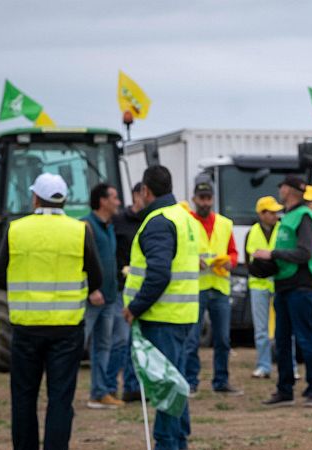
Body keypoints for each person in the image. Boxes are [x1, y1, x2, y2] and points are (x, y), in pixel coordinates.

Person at [0, 173, 103, 450]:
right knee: (60, 399)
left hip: (26, 329)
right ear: (64, 200)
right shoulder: (80, 230)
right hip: (67, 330)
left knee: (23, 398)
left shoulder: (16, 230)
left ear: (36, 198)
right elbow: (96, 278)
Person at [122, 166, 199, 450]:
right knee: (176, 383)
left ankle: (167, 443)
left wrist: (135, 307)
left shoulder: (158, 221)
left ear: (145, 190)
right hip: (182, 314)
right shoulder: (184, 217)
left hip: (163, 316)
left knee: (165, 387)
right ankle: (178, 440)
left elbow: (159, 274)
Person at [253, 175, 312, 408]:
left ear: (289, 190)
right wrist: (265, 265)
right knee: (282, 341)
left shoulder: (304, 217)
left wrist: (272, 254)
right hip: (284, 285)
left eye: (282, 187)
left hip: (300, 286)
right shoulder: (288, 217)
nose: (280, 190)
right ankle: (285, 390)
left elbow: (304, 253)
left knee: (305, 338)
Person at [184, 180, 242, 395]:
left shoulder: (224, 224)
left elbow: (233, 252)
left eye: (208, 198)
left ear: (213, 199)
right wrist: (193, 261)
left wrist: (230, 262)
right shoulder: (187, 222)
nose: (205, 203)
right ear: (194, 199)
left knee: (223, 339)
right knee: (192, 339)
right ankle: (190, 381)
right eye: (202, 198)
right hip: (196, 287)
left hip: (219, 287)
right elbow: (181, 251)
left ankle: (221, 381)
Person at [83, 183, 124, 409]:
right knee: (78, 344)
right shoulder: (86, 226)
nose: (118, 202)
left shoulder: (108, 226)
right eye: (114, 198)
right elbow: (82, 260)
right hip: (92, 299)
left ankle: (99, 393)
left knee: (103, 346)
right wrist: (91, 289)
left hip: (108, 297)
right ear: (102, 201)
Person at [109, 182, 145, 402]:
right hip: (122, 288)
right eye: (141, 195)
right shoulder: (119, 221)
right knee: (121, 340)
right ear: (134, 196)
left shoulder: (150, 221)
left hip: (144, 290)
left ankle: (134, 386)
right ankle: (111, 386)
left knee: (137, 340)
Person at [244, 195, 283, 379]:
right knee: (261, 329)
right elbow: (250, 261)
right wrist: (270, 261)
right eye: (271, 212)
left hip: (279, 283)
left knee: (284, 328)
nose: (275, 215)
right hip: (259, 285)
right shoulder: (252, 232)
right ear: (262, 214)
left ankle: (288, 365)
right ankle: (263, 365)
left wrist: (268, 259)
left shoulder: (282, 229)